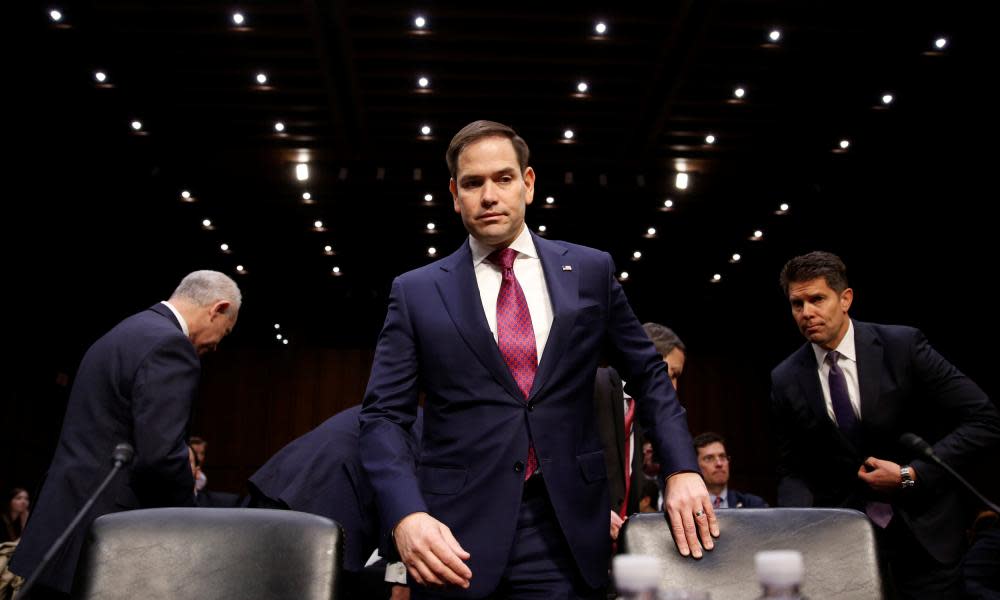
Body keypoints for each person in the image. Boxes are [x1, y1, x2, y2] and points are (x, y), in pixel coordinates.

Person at [359, 120, 715, 599]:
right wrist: (405, 513)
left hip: (565, 530)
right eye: (473, 183)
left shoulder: (589, 271)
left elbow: (650, 374)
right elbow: (384, 416)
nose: (489, 195)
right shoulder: (417, 291)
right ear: (454, 193)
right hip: (452, 536)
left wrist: (681, 468)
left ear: (528, 183)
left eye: (503, 179)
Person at [770, 251, 1000, 598]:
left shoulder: (902, 346)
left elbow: (984, 419)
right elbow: (793, 468)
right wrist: (796, 527)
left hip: (927, 536)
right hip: (846, 545)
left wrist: (912, 474)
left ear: (845, 299)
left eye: (817, 299)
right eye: (796, 304)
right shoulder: (785, 377)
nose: (806, 313)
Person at [9, 270, 241, 597]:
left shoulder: (124, 331)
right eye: (225, 332)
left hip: (62, 524)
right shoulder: (171, 346)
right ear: (217, 309)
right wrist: (190, 510)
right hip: (106, 538)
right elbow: (159, 456)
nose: (217, 346)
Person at [248, 405, 423, 600]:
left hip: (283, 484)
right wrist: (401, 581)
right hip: (331, 496)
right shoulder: (434, 437)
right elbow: (407, 512)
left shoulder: (397, 411)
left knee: (262, 584)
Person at [692, 432, 767, 509]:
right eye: (709, 458)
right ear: (694, 464)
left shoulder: (753, 505)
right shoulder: (688, 507)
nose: (719, 463)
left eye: (722, 456)